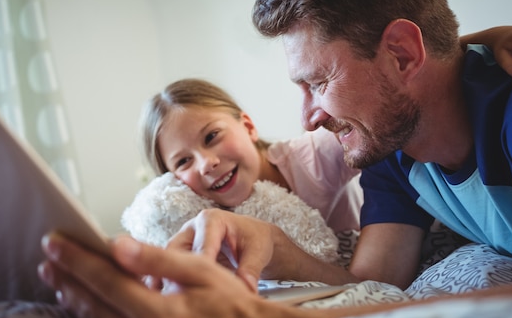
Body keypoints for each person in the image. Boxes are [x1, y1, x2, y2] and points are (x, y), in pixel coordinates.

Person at [38, 0, 512, 318]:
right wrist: (279, 251)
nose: (308, 117)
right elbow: (375, 285)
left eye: (318, 81)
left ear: (400, 53)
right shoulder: (389, 145)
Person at [134, 77, 362, 235]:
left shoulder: (312, 156)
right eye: (183, 161)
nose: (206, 164)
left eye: (211, 136)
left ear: (248, 126)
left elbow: (380, 138)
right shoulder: (201, 220)